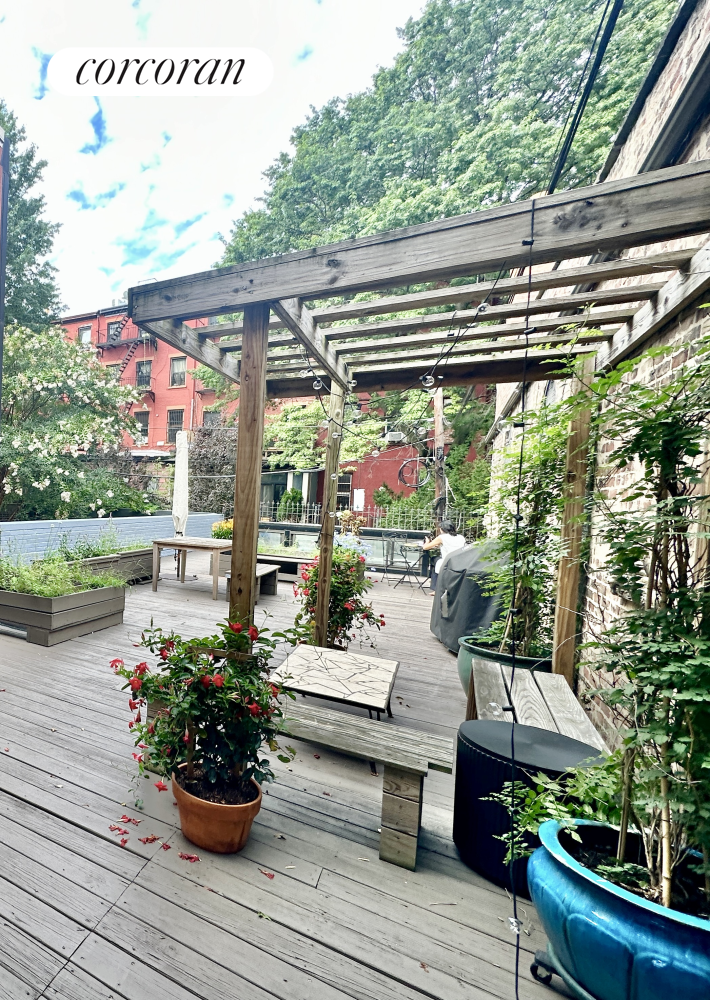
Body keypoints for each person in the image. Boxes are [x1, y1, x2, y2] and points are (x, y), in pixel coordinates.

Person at [422, 520, 467, 595]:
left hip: (447, 561)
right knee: (437, 561)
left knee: (434, 559)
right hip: (460, 561)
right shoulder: (461, 537)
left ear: (442, 529)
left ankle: (435, 587)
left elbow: (425, 547)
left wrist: (427, 541)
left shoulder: (442, 537)